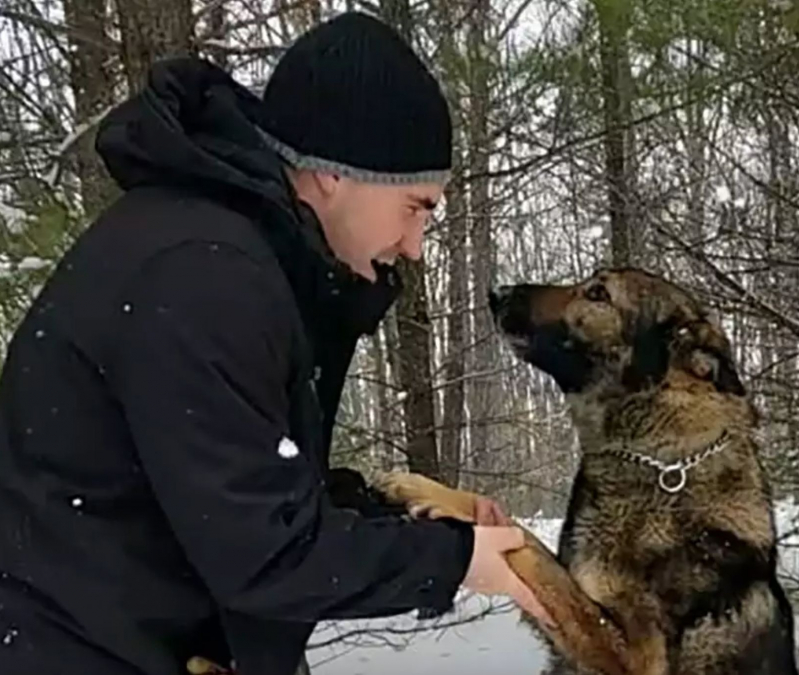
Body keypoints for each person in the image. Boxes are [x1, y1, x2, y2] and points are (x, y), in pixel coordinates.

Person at [0, 11, 549, 675]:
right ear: (334, 174)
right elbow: (263, 550)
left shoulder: (246, 258)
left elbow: (248, 487)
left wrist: (419, 523)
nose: (415, 246)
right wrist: (454, 560)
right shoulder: (203, 273)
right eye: (415, 205)